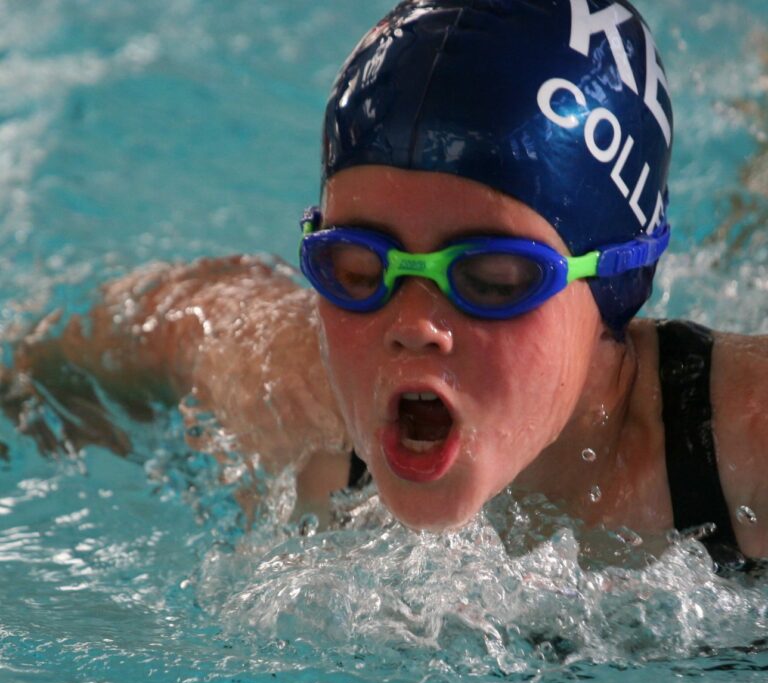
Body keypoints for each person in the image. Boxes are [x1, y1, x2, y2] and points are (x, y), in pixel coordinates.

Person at [4, 0, 768, 567]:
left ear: (617, 278)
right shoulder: (296, 395)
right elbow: (162, 319)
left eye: (492, 277)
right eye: (360, 268)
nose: (413, 324)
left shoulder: (748, 449)